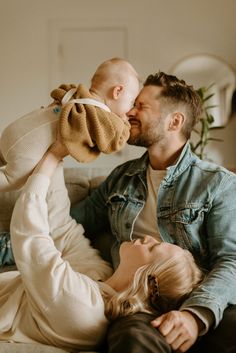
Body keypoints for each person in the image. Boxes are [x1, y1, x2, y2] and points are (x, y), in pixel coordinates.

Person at [69, 72, 236, 352]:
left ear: (174, 122)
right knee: (132, 340)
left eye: (141, 106)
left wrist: (195, 316)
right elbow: (69, 225)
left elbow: (231, 259)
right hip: (138, 304)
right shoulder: (120, 178)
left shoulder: (217, 183)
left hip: (201, 300)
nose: (129, 112)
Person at [0, 139, 203, 352]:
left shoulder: (80, 306)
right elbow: (63, 231)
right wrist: (59, 153)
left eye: (153, 248)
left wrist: (49, 160)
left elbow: (31, 239)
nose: (148, 238)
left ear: (149, 283)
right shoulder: (101, 276)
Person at [0, 57, 140, 191]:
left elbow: (57, 93)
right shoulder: (102, 118)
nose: (130, 110)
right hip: (26, 150)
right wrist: (124, 122)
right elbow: (118, 140)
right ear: (118, 91)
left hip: (14, 130)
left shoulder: (74, 93)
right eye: (131, 102)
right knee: (11, 181)